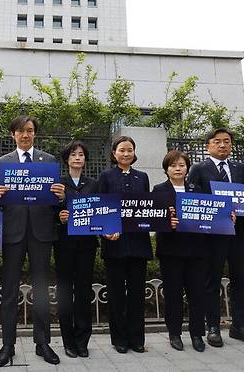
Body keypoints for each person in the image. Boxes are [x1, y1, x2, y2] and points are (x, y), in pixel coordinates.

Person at [0, 115, 65, 367]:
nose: (25, 135)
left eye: (30, 131)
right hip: (13, 233)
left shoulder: (49, 161)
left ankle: (42, 342)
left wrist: (61, 196)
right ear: (13, 135)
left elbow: (56, 202)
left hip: (41, 233)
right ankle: (7, 345)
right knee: (9, 291)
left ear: (35, 134)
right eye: (21, 131)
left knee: (42, 291)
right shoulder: (2, 163)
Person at [186, 128, 244, 348]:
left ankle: (240, 326)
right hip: (212, 235)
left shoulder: (240, 168)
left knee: (240, 279)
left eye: (227, 142)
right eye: (217, 142)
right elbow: (194, 199)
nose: (222, 145)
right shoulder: (199, 169)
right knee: (211, 280)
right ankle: (213, 327)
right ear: (208, 145)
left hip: (239, 232)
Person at [97, 135, 151, 354]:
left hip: (138, 242)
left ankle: (137, 339)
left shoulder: (143, 177)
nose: (126, 153)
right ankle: (119, 339)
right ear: (114, 153)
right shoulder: (106, 176)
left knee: (137, 294)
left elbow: (148, 207)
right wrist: (105, 233)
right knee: (117, 294)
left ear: (134, 152)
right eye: (122, 150)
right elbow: (100, 208)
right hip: (115, 243)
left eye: (130, 150)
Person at [153, 150, 207, 352]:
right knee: (173, 294)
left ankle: (197, 334)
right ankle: (174, 333)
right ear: (166, 169)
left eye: (182, 165)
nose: (178, 168)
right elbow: (152, 219)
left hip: (197, 250)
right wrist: (166, 221)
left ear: (187, 168)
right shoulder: (158, 190)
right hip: (171, 250)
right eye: (173, 165)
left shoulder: (198, 190)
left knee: (196, 294)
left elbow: (208, 215)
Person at [55, 141, 98, 358]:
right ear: (67, 159)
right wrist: (60, 216)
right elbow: (48, 212)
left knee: (83, 292)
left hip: (87, 244)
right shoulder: (58, 183)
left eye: (81, 154)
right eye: (73, 154)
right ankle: (68, 341)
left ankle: (83, 340)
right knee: (65, 293)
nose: (77, 158)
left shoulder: (93, 184)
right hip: (64, 244)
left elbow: (101, 212)